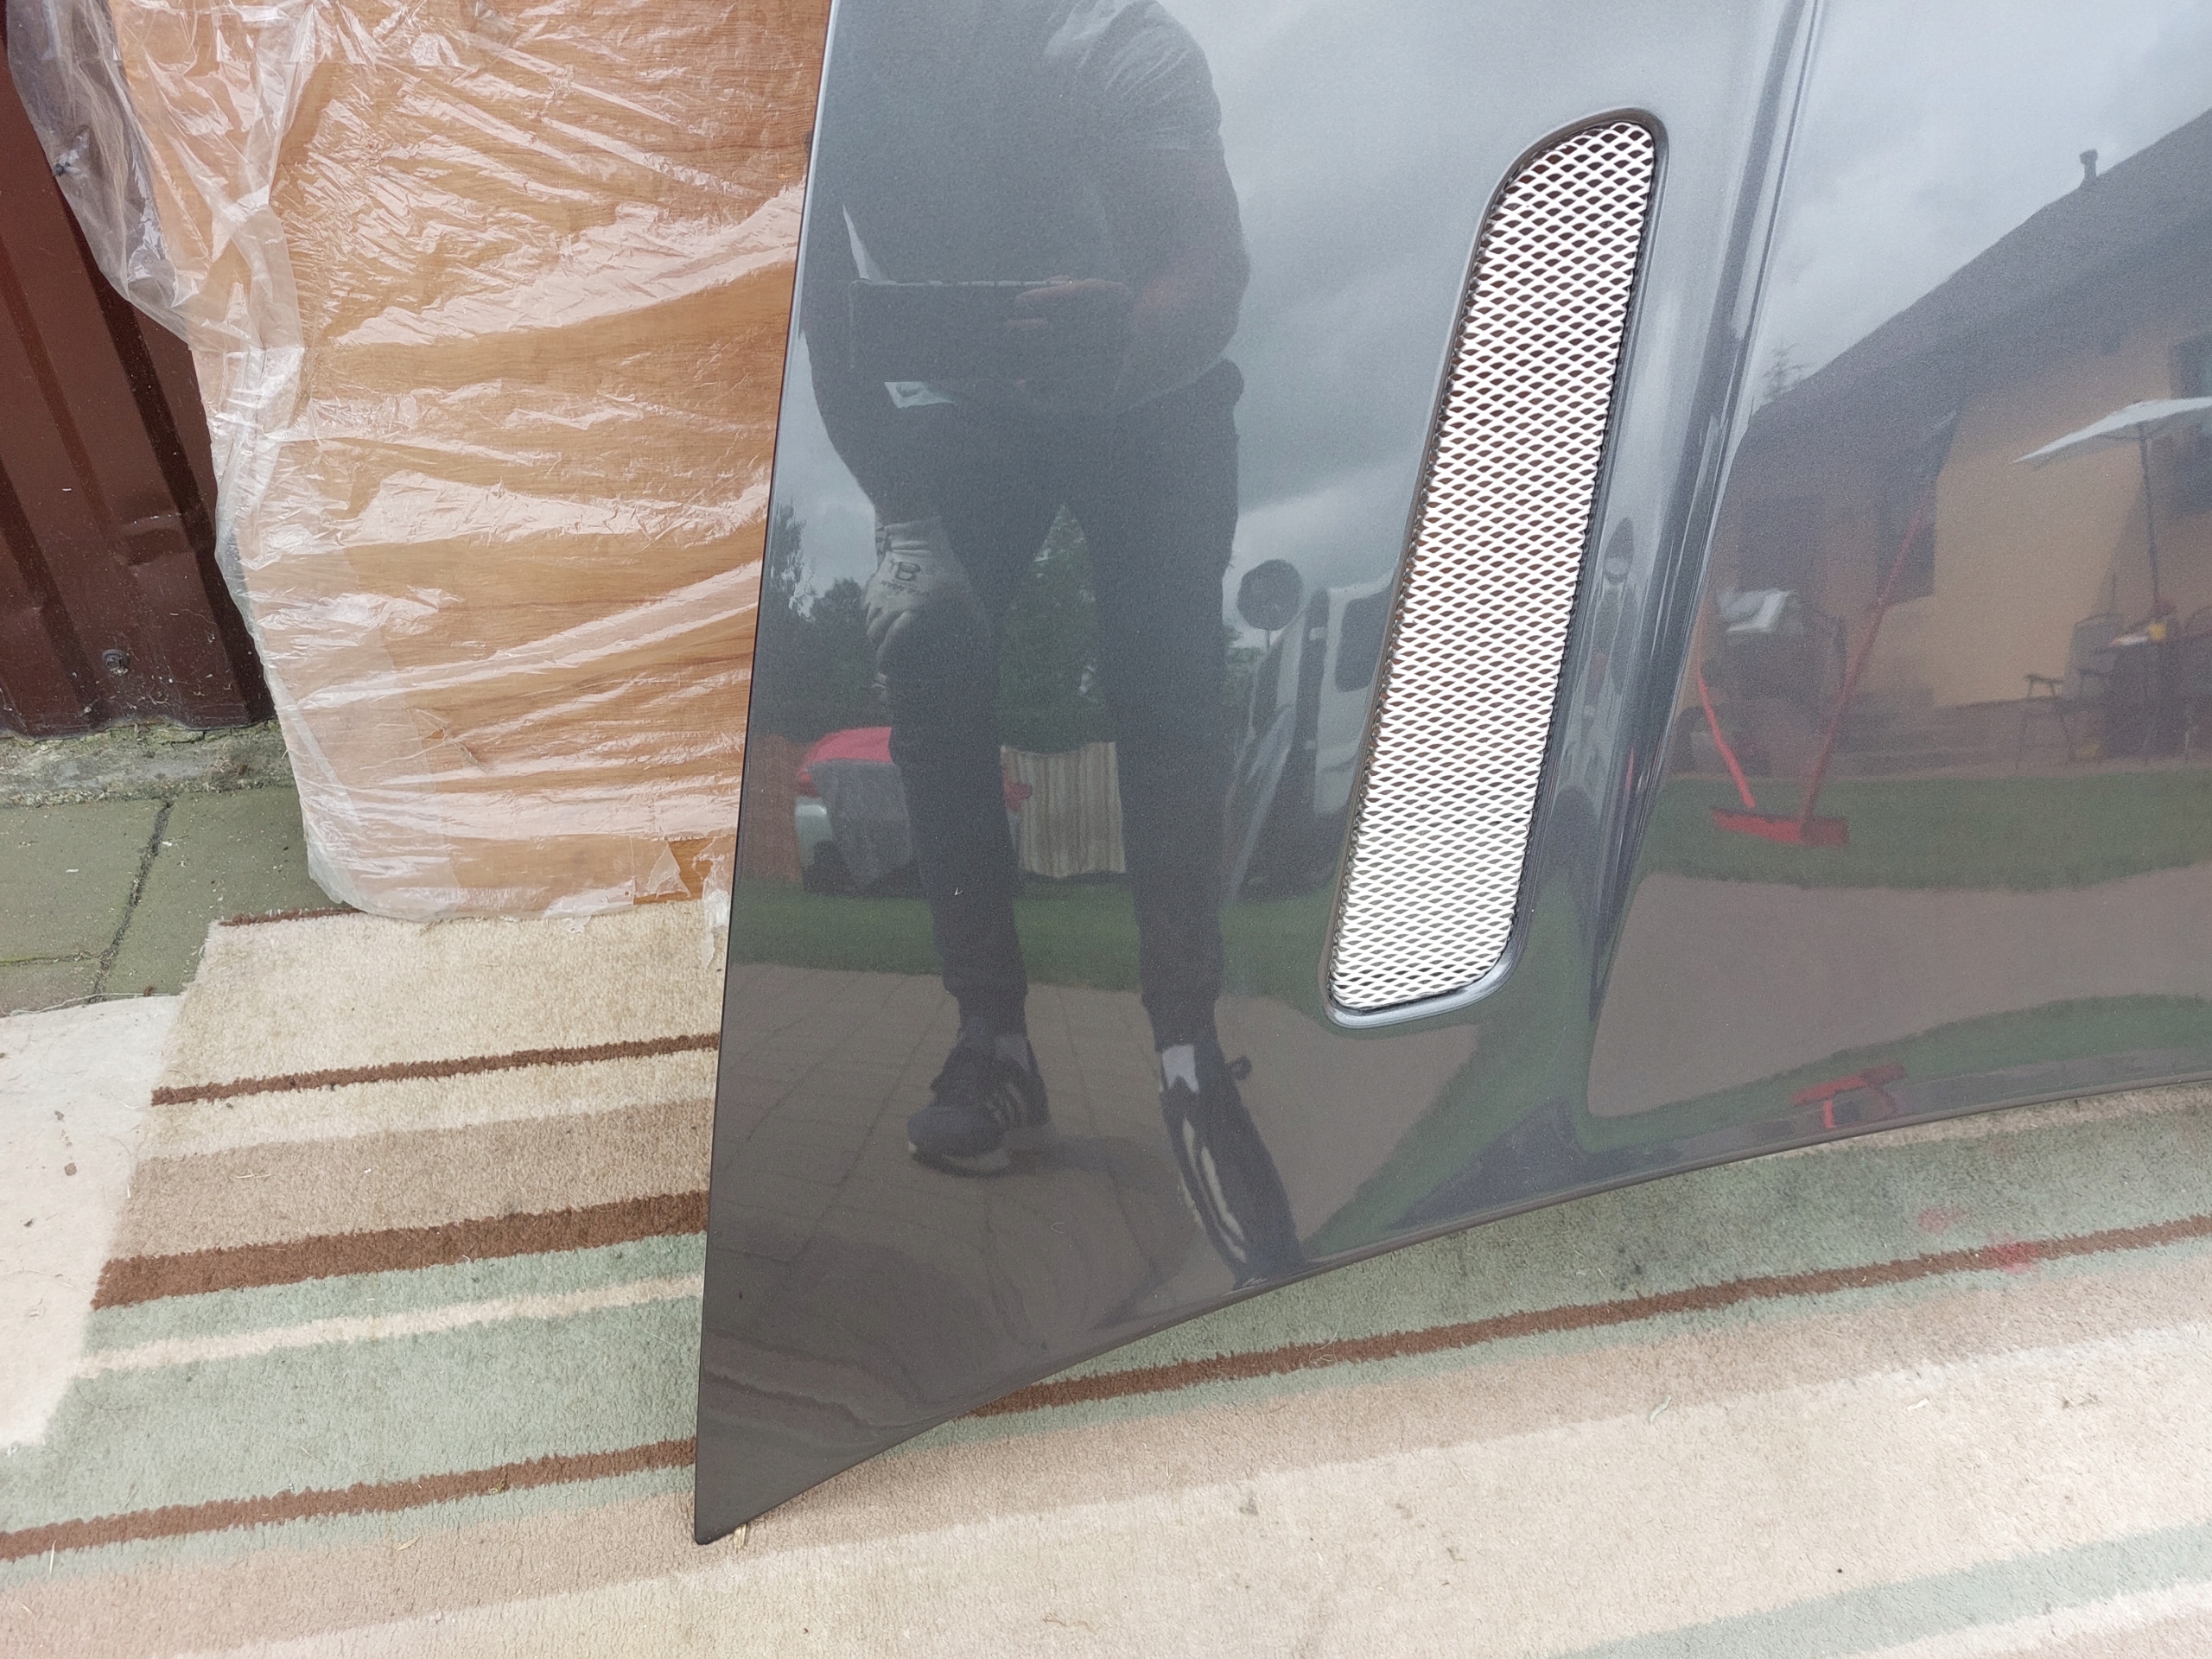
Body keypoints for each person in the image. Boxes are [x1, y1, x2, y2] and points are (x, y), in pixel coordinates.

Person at [799, 0, 1302, 1284]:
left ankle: (1188, 1044)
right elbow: (829, 324)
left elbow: (1211, 266)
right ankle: (997, 1045)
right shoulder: (830, 74)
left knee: (1164, 685)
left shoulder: (1118, 43)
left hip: (1153, 388)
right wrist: (906, 522)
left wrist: (1133, 335)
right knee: (927, 654)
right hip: (975, 407)